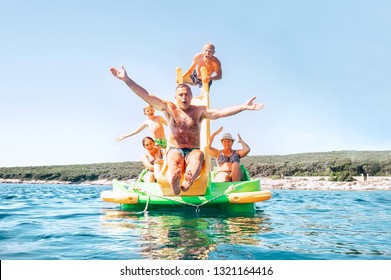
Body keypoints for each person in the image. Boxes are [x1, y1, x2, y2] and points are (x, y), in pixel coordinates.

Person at [110, 65, 264, 195]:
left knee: (198, 156)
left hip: (193, 150)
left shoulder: (199, 111)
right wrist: (127, 80)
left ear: (191, 96)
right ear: (175, 97)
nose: (184, 98)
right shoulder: (169, 108)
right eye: (181, 95)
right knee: (174, 162)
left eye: (187, 95)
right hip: (175, 149)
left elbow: (220, 112)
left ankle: (188, 180)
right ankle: (174, 180)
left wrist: (243, 107)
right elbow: (146, 95)